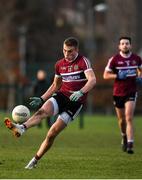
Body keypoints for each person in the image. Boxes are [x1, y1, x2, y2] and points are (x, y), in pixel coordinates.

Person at [4, 37, 96, 169]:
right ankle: (21, 128)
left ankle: (35, 160)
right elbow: (55, 85)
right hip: (62, 96)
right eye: (64, 51)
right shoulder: (60, 64)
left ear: (77, 50)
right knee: (42, 112)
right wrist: (42, 98)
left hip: (75, 104)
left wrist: (81, 92)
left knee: (51, 133)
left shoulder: (83, 62)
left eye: (70, 51)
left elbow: (92, 80)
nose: (67, 54)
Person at [103, 36, 142, 154]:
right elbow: (105, 75)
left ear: (130, 45)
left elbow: (140, 71)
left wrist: (140, 77)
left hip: (131, 92)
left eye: (127, 43)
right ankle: (124, 136)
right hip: (118, 93)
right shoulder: (114, 59)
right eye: (122, 43)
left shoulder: (137, 59)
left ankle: (130, 144)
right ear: (119, 46)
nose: (125, 45)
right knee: (121, 120)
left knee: (129, 117)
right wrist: (117, 76)